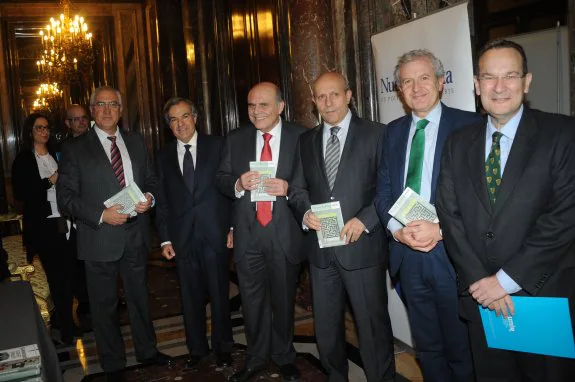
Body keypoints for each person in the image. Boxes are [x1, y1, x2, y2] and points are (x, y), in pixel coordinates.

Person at [436, 39, 575, 381]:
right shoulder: (457, 142)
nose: (499, 87)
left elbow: (565, 216)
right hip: (480, 300)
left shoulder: (562, 134)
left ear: (527, 81)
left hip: (541, 296)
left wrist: (505, 281)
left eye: (510, 76)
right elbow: (450, 217)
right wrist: (482, 283)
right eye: (489, 77)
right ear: (476, 84)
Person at [374, 49, 479, 381]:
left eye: (423, 78)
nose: (416, 87)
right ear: (400, 91)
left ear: (440, 82)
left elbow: (480, 199)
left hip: (452, 255)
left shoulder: (471, 125)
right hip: (407, 255)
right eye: (407, 81)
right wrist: (395, 231)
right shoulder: (391, 132)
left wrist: (441, 230)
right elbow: (383, 193)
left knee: (462, 348)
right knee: (428, 347)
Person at [57, 86, 171, 381]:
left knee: (140, 299)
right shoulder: (74, 148)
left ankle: (147, 351)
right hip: (99, 237)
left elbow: (151, 181)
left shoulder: (135, 141)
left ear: (121, 110)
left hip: (136, 234)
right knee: (103, 305)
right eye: (101, 105)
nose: (107, 110)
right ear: (92, 110)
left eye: (113, 105)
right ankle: (113, 363)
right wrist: (101, 215)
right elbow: (66, 198)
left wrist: (150, 197)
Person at [289, 72, 395, 381]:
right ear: (313, 102)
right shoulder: (305, 141)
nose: (328, 102)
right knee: (326, 329)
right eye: (321, 97)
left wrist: (366, 220)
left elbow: (388, 188)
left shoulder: (378, 134)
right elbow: (297, 189)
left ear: (349, 95)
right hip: (322, 254)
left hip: (363, 249)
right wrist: (305, 212)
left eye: (334, 94)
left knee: (372, 328)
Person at [216, 82, 306, 382]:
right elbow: (220, 179)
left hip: (285, 232)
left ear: (280, 106)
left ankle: (284, 355)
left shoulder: (301, 137)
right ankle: (255, 358)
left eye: (263, 105)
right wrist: (238, 184)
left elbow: (314, 182)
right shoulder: (236, 138)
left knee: (283, 300)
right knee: (251, 302)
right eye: (251, 105)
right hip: (248, 233)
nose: (256, 112)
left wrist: (289, 188)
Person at [155, 97, 233, 369]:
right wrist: (165, 238)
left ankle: (223, 346)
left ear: (195, 117)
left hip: (216, 233)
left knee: (220, 295)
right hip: (182, 237)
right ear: (169, 126)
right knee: (190, 298)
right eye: (174, 120)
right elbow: (162, 201)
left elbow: (230, 190)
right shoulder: (163, 156)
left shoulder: (219, 146)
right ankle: (197, 348)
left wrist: (232, 226)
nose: (180, 124)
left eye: (185, 116)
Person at [12, 113, 78, 344]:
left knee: (69, 275)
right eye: (39, 128)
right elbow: (22, 193)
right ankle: (67, 331)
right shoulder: (24, 159)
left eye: (47, 128)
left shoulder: (55, 154)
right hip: (44, 225)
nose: (44, 132)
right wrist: (50, 180)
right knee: (58, 278)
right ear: (30, 131)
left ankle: (66, 322)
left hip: (65, 222)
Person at [61, 104, 91, 318]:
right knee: (79, 262)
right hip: (77, 213)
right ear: (68, 124)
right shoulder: (66, 148)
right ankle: (85, 300)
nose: (81, 122)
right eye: (76, 119)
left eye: (83, 118)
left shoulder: (97, 142)